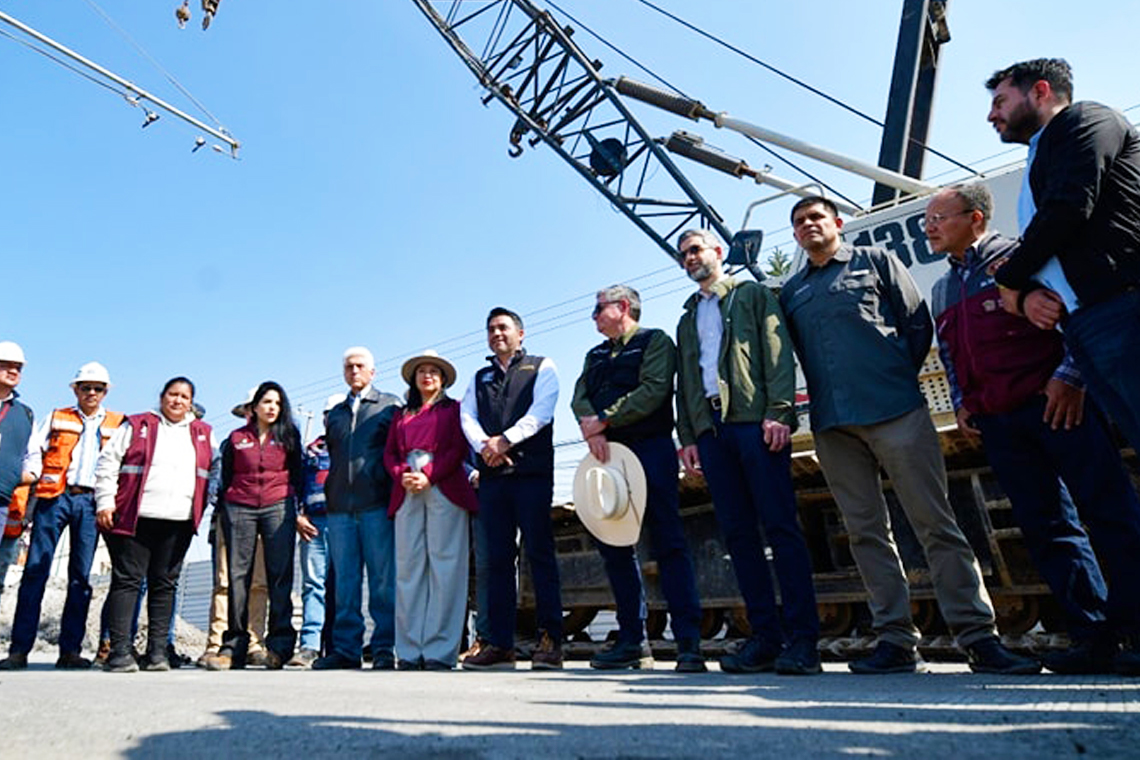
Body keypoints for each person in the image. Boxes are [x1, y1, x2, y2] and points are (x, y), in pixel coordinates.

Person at [779, 196, 1039, 675]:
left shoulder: (876, 261)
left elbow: (917, 325)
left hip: (895, 410)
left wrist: (896, 378)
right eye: (799, 222)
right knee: (865, 534)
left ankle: (978, 636)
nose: (807, 226)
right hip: (834, 426)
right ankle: (896, 642)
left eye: (816, 217)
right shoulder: (791, 291)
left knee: (935, 524)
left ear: (837, 223)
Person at [927, 183, 1140, 676]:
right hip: (1001, 424)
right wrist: (963, 403)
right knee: (1047, 529)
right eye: (926, 221)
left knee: (1110, 512)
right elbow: (953, 355)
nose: (930, 228)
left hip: (1057, 407)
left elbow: (1077, 315)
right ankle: (1093, 637)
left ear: (976, 217)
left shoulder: (1024, 259)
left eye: (940, 218)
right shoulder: (942, 288)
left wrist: (1070, 379)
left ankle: (1134, 630)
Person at [673, 230, 821, 676]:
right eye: (683, 255)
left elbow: (777, 354)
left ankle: (803, 641)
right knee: (738, 536)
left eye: (696, 250)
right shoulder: (686, 319)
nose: (690, 259)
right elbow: (688, 380)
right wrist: (689, 435)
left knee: (780, 527)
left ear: (718, 253)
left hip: (754, 423)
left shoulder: (751, 295)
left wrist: (779, 410)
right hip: (713, 433)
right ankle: (765, 637)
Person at [985, 58, 1140, 454]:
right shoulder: (1041, 156)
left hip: (1123, 308)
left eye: (1001, 101)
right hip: (1088, 324)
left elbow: (1069, 208)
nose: (991, 115)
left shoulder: (1086, 119)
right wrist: (1026, 294)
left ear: (1040, 90)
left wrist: (1011, 278)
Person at [572, 284, 705, 672]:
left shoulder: (654, 342)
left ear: (623, 307)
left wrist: (606, 418)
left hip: (649, 449)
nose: (593, 317)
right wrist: (593, 428)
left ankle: (688, 644)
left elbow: (654, 390)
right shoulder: (594, 355)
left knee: (669, 542)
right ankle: (633, 641)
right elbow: (580, 396)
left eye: (598, 309)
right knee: (615, 546)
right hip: (606, 455)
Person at [0, 363, 123, 671]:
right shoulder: (57, 417)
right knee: (35, 573)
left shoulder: (118, 423)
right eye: (85, 387)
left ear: (106, 391)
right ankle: (19, 650)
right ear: (75, 389)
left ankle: (70, 651)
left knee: (81, 578)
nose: (91, 393)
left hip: (90, 501)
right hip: (54, 499)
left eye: (98, 388)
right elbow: (34, 451)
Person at [459, 308, 563, 671]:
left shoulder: (540, 366)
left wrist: (506, 440)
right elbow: (466, 416)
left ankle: (550, 640)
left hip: (531, 472)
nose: (496, 333)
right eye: (490, 329)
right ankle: (500, 643)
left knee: (539, 555)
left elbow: (543, 412)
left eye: (503, 327)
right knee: (498, 562)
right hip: (493, 479)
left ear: (521, 333)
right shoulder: (479, 376)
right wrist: (486, 446)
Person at [94, 377, 218, 673]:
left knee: (165, 585)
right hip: (135, 517)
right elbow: (107, 463)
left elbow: (216, 468)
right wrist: (105, 501)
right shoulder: (137, 425)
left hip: (179, 521)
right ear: (162, 397)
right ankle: (120, 652)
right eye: (172, 395)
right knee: (128, 581)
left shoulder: (203, 433)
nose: (177, 401)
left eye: (184, 396)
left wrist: (206, 502)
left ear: (191, 401)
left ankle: (157, 653)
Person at [384, 351, 477, 670]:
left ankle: (439, 650)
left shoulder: (454, 410)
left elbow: (458, 449)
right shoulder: (401, 414)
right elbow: (390, 453)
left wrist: (430, 474)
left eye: (434, 371)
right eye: (421, 371)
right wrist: (401, 474)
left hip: (443, 483)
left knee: (446, 566)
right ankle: (409, 651)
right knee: (408, 568)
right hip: (407, 484)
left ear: (443, 378)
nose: (427, 376)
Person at [315, 347, 402, 670]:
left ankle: (383, 647)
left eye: (360, 366)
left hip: (376, 505)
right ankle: (346, 650)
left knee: (383, 581)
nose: (354, 371)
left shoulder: (389, 406)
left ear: (373, 372)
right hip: (339, 508)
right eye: (349, 367)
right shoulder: (334, 414)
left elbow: (397, 450)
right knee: (346, 583)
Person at [206, 381, 302, 670]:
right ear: (254, 407)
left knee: (279, 576)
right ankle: (233, 646)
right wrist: (226, 507)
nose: (272, 408)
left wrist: (296, 509)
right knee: (238, 576)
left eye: (277, 403)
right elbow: (225, 477)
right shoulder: (236, 438)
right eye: (266, 402)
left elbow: (298, 474)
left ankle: (279, 647)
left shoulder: (289, 436)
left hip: (278, 507)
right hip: (239, 509)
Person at [196, 390, 270, 668]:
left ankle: (254, 642)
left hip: (265, 519)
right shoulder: (232, 443)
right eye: (250, 409)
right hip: (231, 518)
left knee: (258, 584)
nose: (254, 414)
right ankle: (217, 643)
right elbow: (219, 483)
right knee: (225, 583)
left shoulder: (279, 443)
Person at [286, 393, 342, 669]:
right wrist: (297, 515)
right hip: (315, 525)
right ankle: (309, 644)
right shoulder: (312, 450)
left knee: (343, 587)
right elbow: (295, 485)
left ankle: (338, 646)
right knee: (314, 585)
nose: (332, 419)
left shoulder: (356, 446)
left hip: (346, 523)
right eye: (328, 414)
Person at [0, 342, 34, 602]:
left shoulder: (24, 414)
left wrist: (16, 478)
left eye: (18, 367)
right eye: (6, 365)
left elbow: (32, 459)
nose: (13, 371)